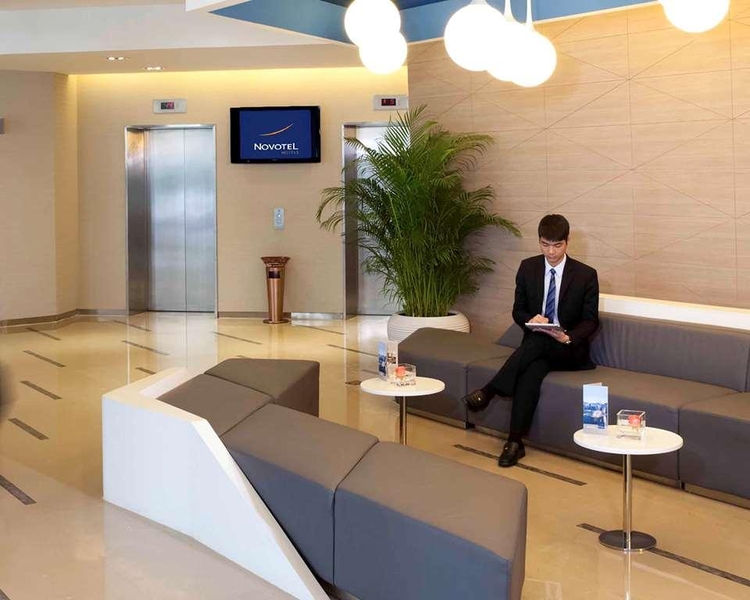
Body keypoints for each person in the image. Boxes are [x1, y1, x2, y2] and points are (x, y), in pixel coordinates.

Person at [462, 214, 599, 467]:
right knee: (531, 370)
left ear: (567, 241)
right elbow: (518, 311)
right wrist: (531, 319)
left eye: (557, 245)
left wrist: (567, 336)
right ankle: (514, 442)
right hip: (537, 348)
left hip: (569, 349)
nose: (551, 252)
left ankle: (489, 391)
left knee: (538, 344)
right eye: (545, 244)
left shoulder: (585, 275)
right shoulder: (528, 268)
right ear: (539, 241)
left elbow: (591, 321)